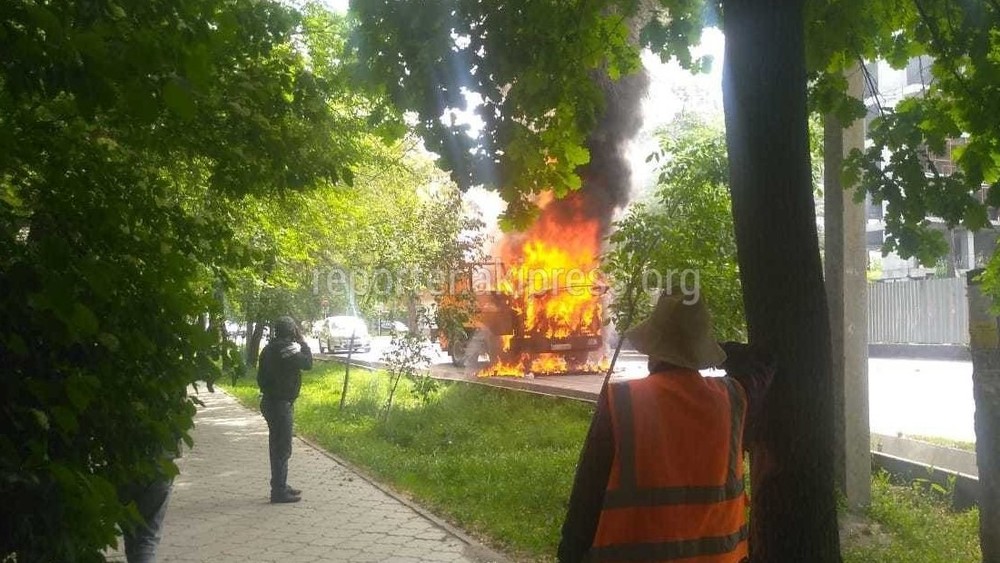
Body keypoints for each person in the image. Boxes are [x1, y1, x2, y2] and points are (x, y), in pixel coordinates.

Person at [558, 290, 774, 563]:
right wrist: (710, 347)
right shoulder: (733, 400)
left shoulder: (623, 402)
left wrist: (570, 552)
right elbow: (763, 362)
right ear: (699, 354)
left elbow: (587, 497)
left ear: (653, 351)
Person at [257, 315, 313, 503]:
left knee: (276, 444)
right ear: (291, 330)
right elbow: (308, 363)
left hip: (269, 402)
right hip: (280, 404)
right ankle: (279, 491)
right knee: (282, 448)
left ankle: (280, 484)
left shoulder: (268, 349)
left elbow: (260, 377)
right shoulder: (286, 348)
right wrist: (302, 341)